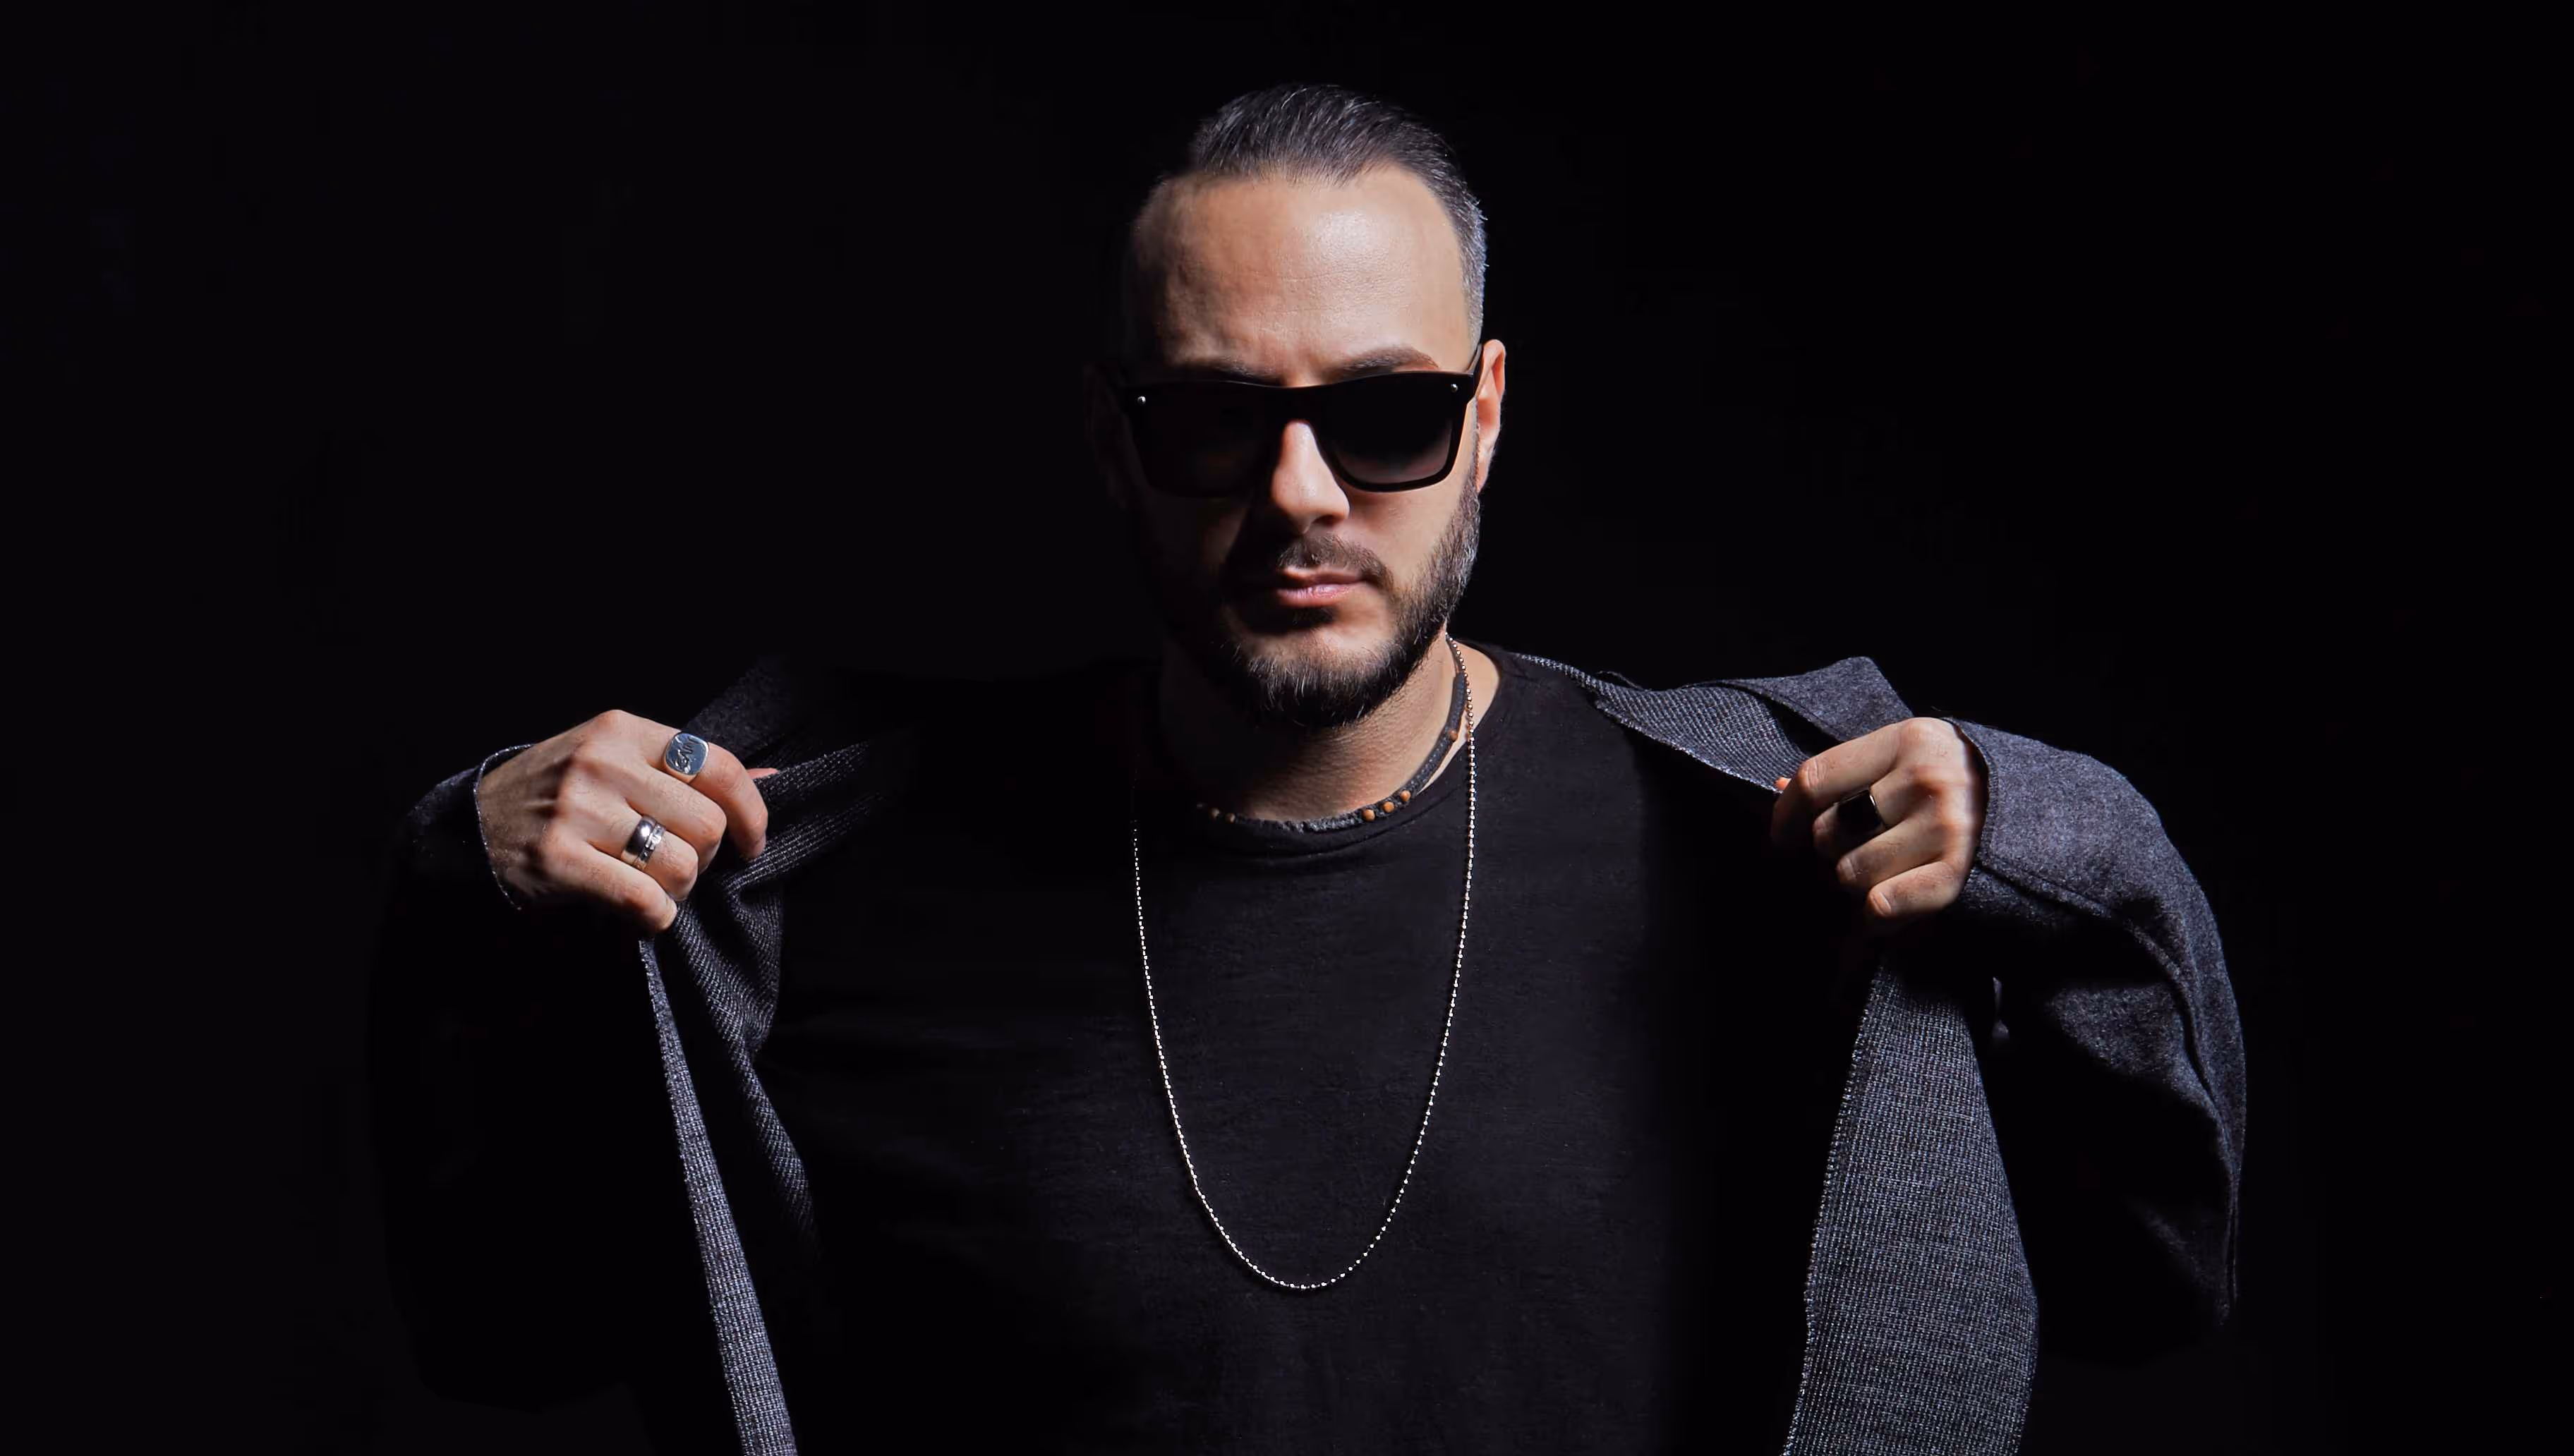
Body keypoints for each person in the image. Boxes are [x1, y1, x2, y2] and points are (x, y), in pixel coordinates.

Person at [368, 82, 2244, 1455]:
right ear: (1112, 444)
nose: (1298, 493)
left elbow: (2155, 1275)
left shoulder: (1762, 849)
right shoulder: (826, 871)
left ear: (1488, 417)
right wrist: (473, 884)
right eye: (1211, 420)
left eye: (1386, 413)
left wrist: (2067, 853)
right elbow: (505, 1332)